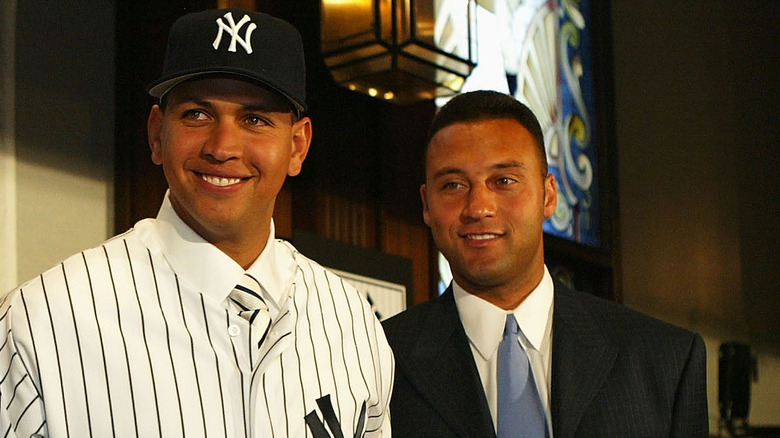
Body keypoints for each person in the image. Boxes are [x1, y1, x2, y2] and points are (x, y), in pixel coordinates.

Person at [0, 8, 392, 437]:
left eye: (255, 119)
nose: (223, 147)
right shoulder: (44, 319)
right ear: (156, 133)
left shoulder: (352, 320)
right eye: (196, 115)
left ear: (297, 146)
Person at [382, 90, 708, 437]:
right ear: (427, 205)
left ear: (549, 195)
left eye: (503, 181)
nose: (478, 207)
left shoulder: (664, 359)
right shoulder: (380, 360)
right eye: (453, 184)